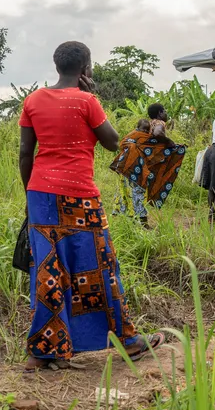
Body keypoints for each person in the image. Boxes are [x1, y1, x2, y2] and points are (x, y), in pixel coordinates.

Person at [18, 41, 162, 373]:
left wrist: (29, 197)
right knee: (100, 267)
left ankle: (44, 351)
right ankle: (127, 341)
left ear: (57, 66)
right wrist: (95, 95)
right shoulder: (87, 101)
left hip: (40, 195)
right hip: (81, 197)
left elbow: (26, 154)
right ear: (87, 68)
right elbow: (113, 143)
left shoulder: (33, 100)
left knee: (48, 271)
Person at [111, 103, 186, 227]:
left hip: (129, 161)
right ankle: (143, 223)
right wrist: (169, 142)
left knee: (128, 190)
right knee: (138, 190)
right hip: (136, 162)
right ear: (160, 113)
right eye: (165, 111)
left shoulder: (147, 124)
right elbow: (157, 134)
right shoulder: (159, 123)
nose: (166, 114)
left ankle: (130, 222)